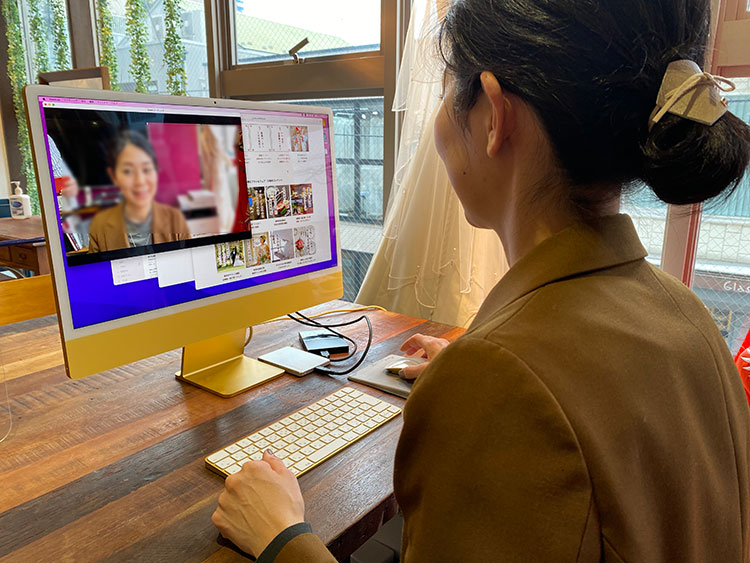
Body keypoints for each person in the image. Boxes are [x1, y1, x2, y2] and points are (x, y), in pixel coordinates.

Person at [211, 0, 750, 561]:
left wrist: (281, 537)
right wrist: (478, 382)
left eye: (447, 89)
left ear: (494, 116)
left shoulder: (502, 378)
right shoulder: (688, 318)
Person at [88, 130, 190, 252]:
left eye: (146, 169)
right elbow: (96, 270)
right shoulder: (100, 227)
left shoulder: (175, 220)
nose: (140, 181)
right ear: (113, 176)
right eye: (128, 171)